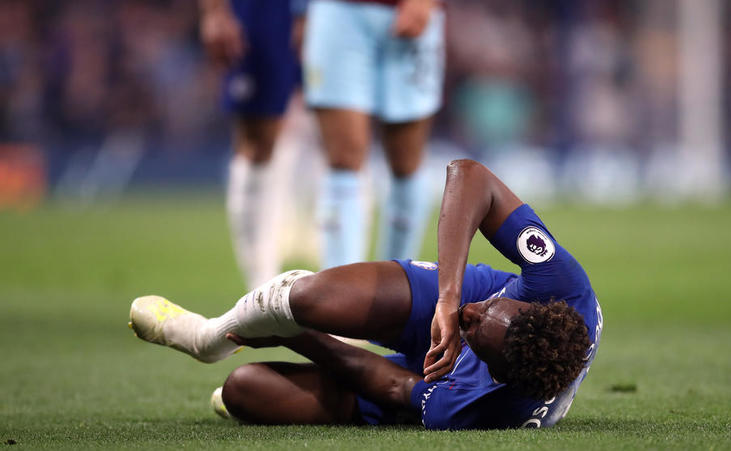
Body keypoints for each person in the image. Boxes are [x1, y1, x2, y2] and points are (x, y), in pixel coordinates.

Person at [129, 159, 603, 429]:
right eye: (491, 310)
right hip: (464, 300)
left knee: (243, 392)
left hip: (432, 377)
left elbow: (391, 383)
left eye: (477, 331)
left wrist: (291, 336)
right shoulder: (561, 285)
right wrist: (449, 297)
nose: (470, 317)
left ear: (495, 374)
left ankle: (268, 319)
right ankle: (208, 337)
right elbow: (470, 176)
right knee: (310, 300)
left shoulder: (479, 406)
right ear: (529, 302)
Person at [302, 0, 445, 267]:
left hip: (410, 11)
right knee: (342, 157)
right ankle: (340, 288)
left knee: (406, 160)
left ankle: (397, 287)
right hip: (340, 12)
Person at [199, 0, 306, 288]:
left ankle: (346, 285)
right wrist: (215, 11)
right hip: (264, 10)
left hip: (341, 11)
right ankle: (261, 284)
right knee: (259, 140)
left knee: (337, 134)